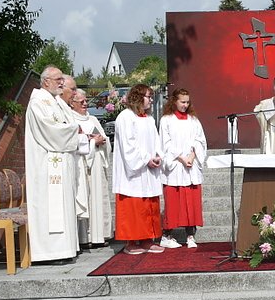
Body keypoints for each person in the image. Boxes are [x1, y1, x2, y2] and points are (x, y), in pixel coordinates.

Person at [25, 66, 89, 264]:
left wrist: (75, 131)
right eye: (58, 79)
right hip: (47, 165)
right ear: (46, 82)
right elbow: (51, 130)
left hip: (62, 163)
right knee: (51, 208)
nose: (62, 82)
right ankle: (50, 253)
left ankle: (67, 249)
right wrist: (73, 130)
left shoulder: (56, 101)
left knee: (62, 207)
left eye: (62, 79)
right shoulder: (38, 102)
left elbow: (71, 124)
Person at [111, 84, 165, 255]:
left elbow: (156, 141)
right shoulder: (125, 117)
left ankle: (148, 240)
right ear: (138, 97)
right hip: (132, 173)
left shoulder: (149, 119)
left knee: (149, 205)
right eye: (148, 96)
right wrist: (145, 159)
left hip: (148, 170)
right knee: (133, 206)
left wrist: (157, 156)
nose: (151, 100)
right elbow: (128, 145)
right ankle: (131, 242)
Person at [159, 88, 207, 248]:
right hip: (175, 166)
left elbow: (200, 140)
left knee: (191, 202)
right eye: (182, 102)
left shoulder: (193, 120)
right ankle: (167, 234)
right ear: (174, 101)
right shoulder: (166, 120)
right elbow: (165, 143)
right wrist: (181, 157)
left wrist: (192, 157)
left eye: (187, 102)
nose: (185, 105)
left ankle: (190, 234)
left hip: (190, 165)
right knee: (173, 201)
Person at [70, 89, 113, 249]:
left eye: (86, 100)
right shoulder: (71, 120)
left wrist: (102, 140)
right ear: (72, 104)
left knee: (99, 198)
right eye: (81, 102)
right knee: (86, 198)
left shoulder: (93, 119)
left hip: (97, 165)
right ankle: (85, 237)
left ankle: (100, 235)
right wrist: (91, 142)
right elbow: (74, 143)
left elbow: (105, 140)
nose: (85, 104)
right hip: (83, 165)